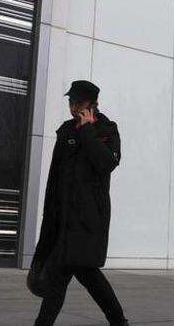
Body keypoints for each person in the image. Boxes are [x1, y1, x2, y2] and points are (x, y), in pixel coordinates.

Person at [29, 80, 128, 326]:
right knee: (76, 277)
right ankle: (119, 322)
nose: (74, 108)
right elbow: (54, 177)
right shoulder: (65, 131)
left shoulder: (107, 129)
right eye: (71, 102)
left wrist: (87, 131)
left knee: (74, 276)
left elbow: (107, 163)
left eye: (79, 103)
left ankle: (119, 321)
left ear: (93, 104)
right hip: (63, 221)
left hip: (87, 222)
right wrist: (49, 217)